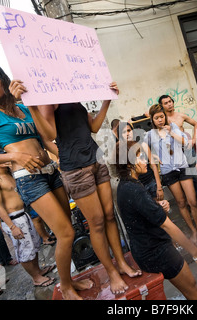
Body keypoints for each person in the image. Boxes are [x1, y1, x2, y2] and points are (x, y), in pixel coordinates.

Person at [0, 60, 90, 300]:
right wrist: (14, 155)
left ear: (2, 78)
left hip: (51, 172)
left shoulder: (24, 108)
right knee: (64, 233)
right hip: (29, 179)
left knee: (70, 230)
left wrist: (64, 159)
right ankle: (65, 287)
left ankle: (70, 280)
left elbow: (48, 137)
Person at [27, 83, 142, 295]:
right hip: (76, 169)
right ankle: (112, 272)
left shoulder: (74, 92)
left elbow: (94, 127)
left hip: (95, 160)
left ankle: (122, 263)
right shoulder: (47, 95)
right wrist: (34, 107)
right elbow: (49, 133)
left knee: (109, 215)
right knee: (96, 222)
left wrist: (107, 99)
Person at [115, 140, 197, 300]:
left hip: (147, 248)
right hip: (155, 251)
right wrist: (196, 253)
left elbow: (140, 212)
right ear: (130, 164)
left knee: (190, 287)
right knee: (191, 287)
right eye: (141, 157)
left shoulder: (126, 185)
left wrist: (157, 206)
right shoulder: (134, 190)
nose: (146, 161)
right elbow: (168, 226)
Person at [0, 151, 57, 288]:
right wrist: (12, 226)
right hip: (13, 219)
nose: (6, 160)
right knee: (24, 251)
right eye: (1, 158)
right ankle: (36, 278)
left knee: (34, 246)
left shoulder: (10, 173)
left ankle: (38, 271)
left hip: (24, 214)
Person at [146, 104, 197, 245]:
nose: (160, 120)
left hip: (182, 167)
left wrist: (171, 132)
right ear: (152, 119)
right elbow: (150, 159)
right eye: (156, 118)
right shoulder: (149, 135)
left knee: (193, 201)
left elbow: (186, 143)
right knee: (181, 203)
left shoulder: (173, 127)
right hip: (168, 172)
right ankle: (193, 230)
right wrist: (158, 183)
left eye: (161, 117)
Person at [158, 95, 197, 211]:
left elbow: (196, 124)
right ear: (161, 106)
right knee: (180, 177)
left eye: (170, 101)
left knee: (195, 175)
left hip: (186, 149)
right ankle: (187, 202)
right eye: (166, 103)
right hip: (174, 153)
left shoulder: (180, 116)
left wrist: (194, 139)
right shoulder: (162, 119)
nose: (169, 104)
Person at [116, 121, 164, 200]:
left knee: (160, 207)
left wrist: (159, 187)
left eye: (129, 130)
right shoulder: (121, 151)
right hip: (136, 187)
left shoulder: (142, 144)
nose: (127, 134)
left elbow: (153, 165)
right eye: (123, 132)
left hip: (150, 182)